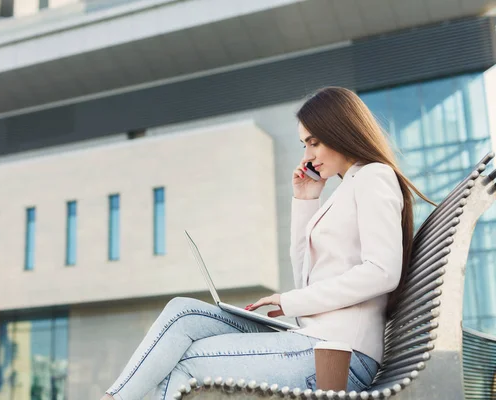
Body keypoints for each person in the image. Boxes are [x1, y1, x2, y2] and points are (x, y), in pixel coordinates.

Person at [101, 87, 434, 400]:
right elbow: (305, 275)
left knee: (186, 363)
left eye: (314, 142)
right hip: (314, 342)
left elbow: (382, 272)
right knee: (183, 313)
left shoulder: (374, 176)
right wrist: (306, 200)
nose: (308, 156)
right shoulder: (346, 187)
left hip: (339, 354)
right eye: (304, 145)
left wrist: (289, 302)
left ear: (341, 131)